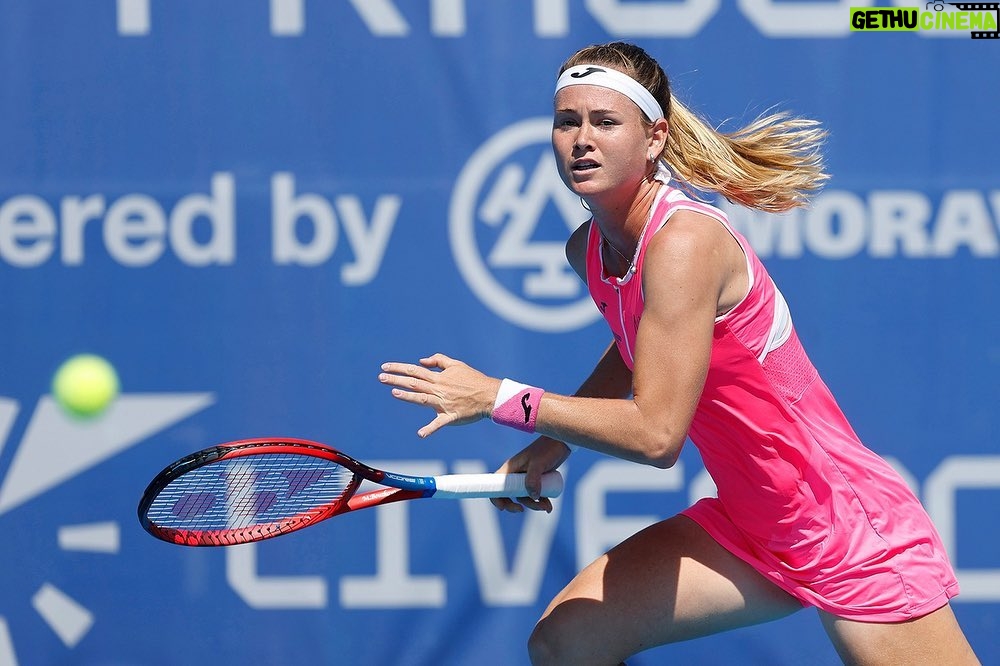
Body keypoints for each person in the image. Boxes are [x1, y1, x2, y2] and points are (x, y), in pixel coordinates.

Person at [378, 42, 979, 665]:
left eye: (605, 122)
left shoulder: (685, 242)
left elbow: (657, 436)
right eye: (567, 122)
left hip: (845, 527)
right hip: (753, 523)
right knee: (567, 643)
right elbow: (639, 345)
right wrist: (556, 441)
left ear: (654, 137)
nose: (582, 140)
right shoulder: (589, 247)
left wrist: (501, 400)